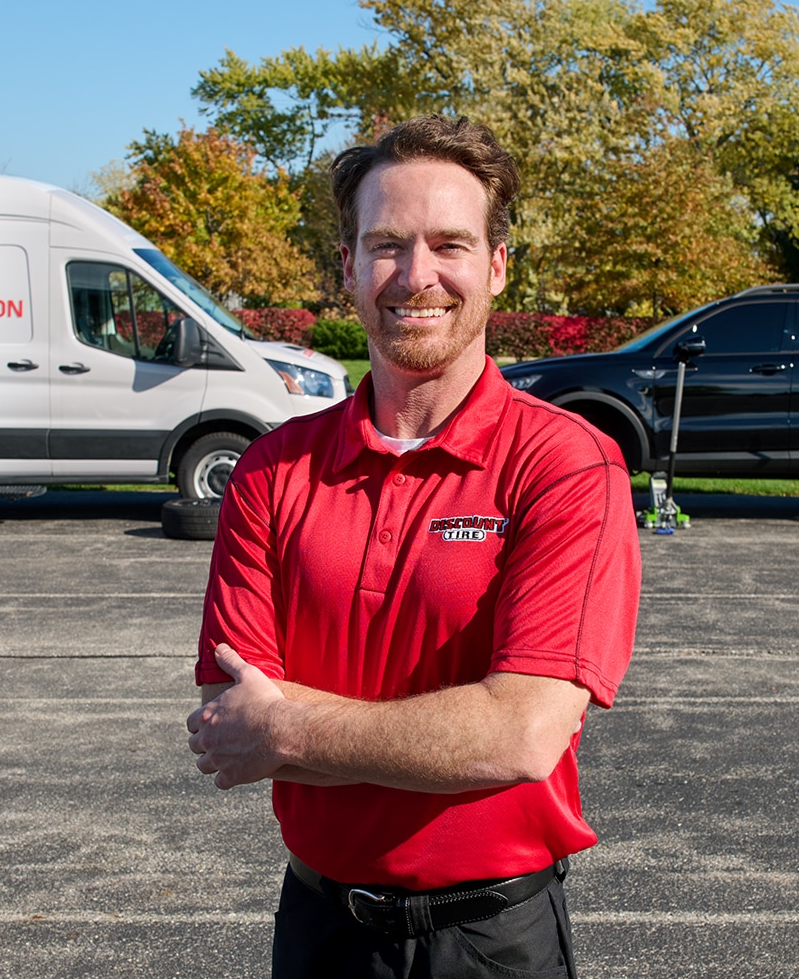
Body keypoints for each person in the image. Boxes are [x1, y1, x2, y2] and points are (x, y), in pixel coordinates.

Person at [187, 116, 642, 978]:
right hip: (319, 931)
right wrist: (432, 732)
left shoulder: (566, 464)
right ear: (350, 268)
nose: (417, 275)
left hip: (491, 942)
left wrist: (289, 724)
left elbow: (517, 736)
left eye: (451, 244)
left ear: (497, 265)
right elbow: (229, 721)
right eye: (387, 243)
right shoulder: (273, 469)